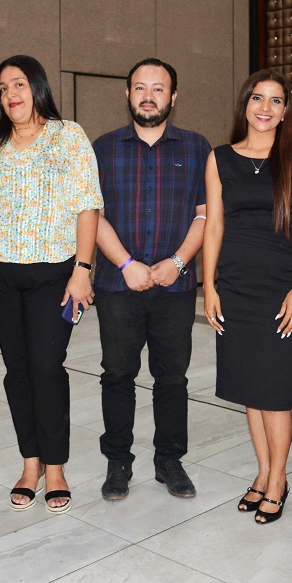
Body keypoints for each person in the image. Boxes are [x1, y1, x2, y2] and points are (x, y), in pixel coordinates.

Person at [0, 55, 103, 514]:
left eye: (20, 84)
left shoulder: (68, 136)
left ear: (38, 87)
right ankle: (30, 463)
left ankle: (55, 468)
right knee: (17, 371)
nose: (12, 94)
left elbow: (88, 206)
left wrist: (83, 269)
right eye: (3, 86)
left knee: (47, 367)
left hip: (54, 272)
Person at [203, 69, 292, 524]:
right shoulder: (219, 158)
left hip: (280, 287)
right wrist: (208, 285)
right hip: (234, 286)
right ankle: (263, 472)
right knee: (250, 391)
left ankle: (278, 480)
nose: (265, 108)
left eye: (275, 101)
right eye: (257, 98)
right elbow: (214, 226)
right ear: (245, 104)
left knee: (275, 393)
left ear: (285, 110)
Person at [92, 58, 211, 501]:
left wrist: (178, 262)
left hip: (175, 287)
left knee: (172, 378)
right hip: (117, 284)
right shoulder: (102, 148)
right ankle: (118, 463)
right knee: (117, 375)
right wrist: (126, 263)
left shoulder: (198, 148)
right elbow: (93, 216)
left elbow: (205, 215)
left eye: (158, 88)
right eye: (140, 87)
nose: (148, 95)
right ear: (127, 94)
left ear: (173, 97)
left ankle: (170, 461)